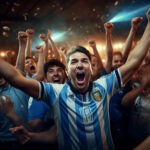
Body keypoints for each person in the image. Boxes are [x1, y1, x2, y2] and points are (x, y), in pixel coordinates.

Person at [1, 8, 150, 150]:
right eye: (74, 61)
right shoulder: (55, 91)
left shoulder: (104, 85)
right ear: (67, 70)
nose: (79, 65)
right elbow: (15, 77)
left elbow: (133, 61)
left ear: (91, 69)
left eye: (84, 61)